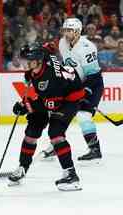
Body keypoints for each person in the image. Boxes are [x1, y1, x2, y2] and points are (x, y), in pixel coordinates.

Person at [8, 43, 89, 191]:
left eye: (28, 61)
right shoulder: (39, 64)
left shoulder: (50, 77)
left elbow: (52, 105)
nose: (25, 64)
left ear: (38, 61)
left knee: (56, 133)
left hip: (69, 99)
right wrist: (26, 103)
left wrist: (26, 107)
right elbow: (49, 49)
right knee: (32, 131)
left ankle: (70, 174)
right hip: (52, 96)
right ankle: (22, 167)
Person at [42, 18, 104, 161]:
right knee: (58, 112)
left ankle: (95, 149)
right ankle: (56, 144)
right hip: (74, 84)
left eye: (70, 30)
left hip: (92, 84)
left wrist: (85, 91)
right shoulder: (63, 43)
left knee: (83, 115)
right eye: (65, 30)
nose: (67, 33)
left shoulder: (87, 47)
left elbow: (93, 76)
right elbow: (66, 64)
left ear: (77, 32)